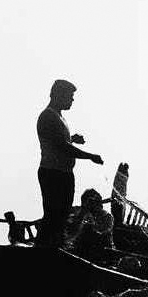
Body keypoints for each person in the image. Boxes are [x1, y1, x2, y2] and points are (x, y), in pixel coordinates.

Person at [35, 80, 103, 247]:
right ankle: (42, 249)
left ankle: (55, 247)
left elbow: (59, 141)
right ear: (57, 95)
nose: (72, 100)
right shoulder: (48, 116)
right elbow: (61, 147)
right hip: (53, 173)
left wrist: (72, 139)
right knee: (53, 215)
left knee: (62, 215)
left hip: (64, 174)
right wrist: (90, 156)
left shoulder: (60, 117)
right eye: (69, 96)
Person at [64, 188, 114, 258]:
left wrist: (89, 224)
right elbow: (70, 232)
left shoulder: (106, 216)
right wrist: (83, 212)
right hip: (76, 250)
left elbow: (102, 231)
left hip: (98, 252)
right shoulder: (76, 211)